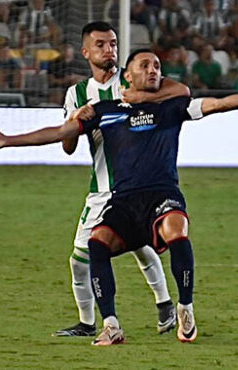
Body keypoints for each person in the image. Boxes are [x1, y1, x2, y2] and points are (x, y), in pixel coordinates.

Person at [0, 50, 238, 345]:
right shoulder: (102, 111)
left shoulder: (172, 107)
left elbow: (218, 104)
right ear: (127, 75)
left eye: (158, 66)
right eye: (145, 65)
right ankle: (111, 325)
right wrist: (8, 141)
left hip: (162, 193)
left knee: (177, 231)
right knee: (96, 245)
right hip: (124, 201)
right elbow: (59, 134)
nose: (154, 70)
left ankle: (184, 308)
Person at [53, 21, 190, 338]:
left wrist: (140, 101)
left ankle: (162, 307)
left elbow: (180, 92)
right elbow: (68, 146)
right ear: (86, 51)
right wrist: (78, 118)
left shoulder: (132, 81)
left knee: (139, 245)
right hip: (100, 188)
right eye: (101, 45)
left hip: (136, 185)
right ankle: (91, 321)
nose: (109, 50)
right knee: (86, 258)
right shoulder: (77, 93)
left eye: (113, 44)